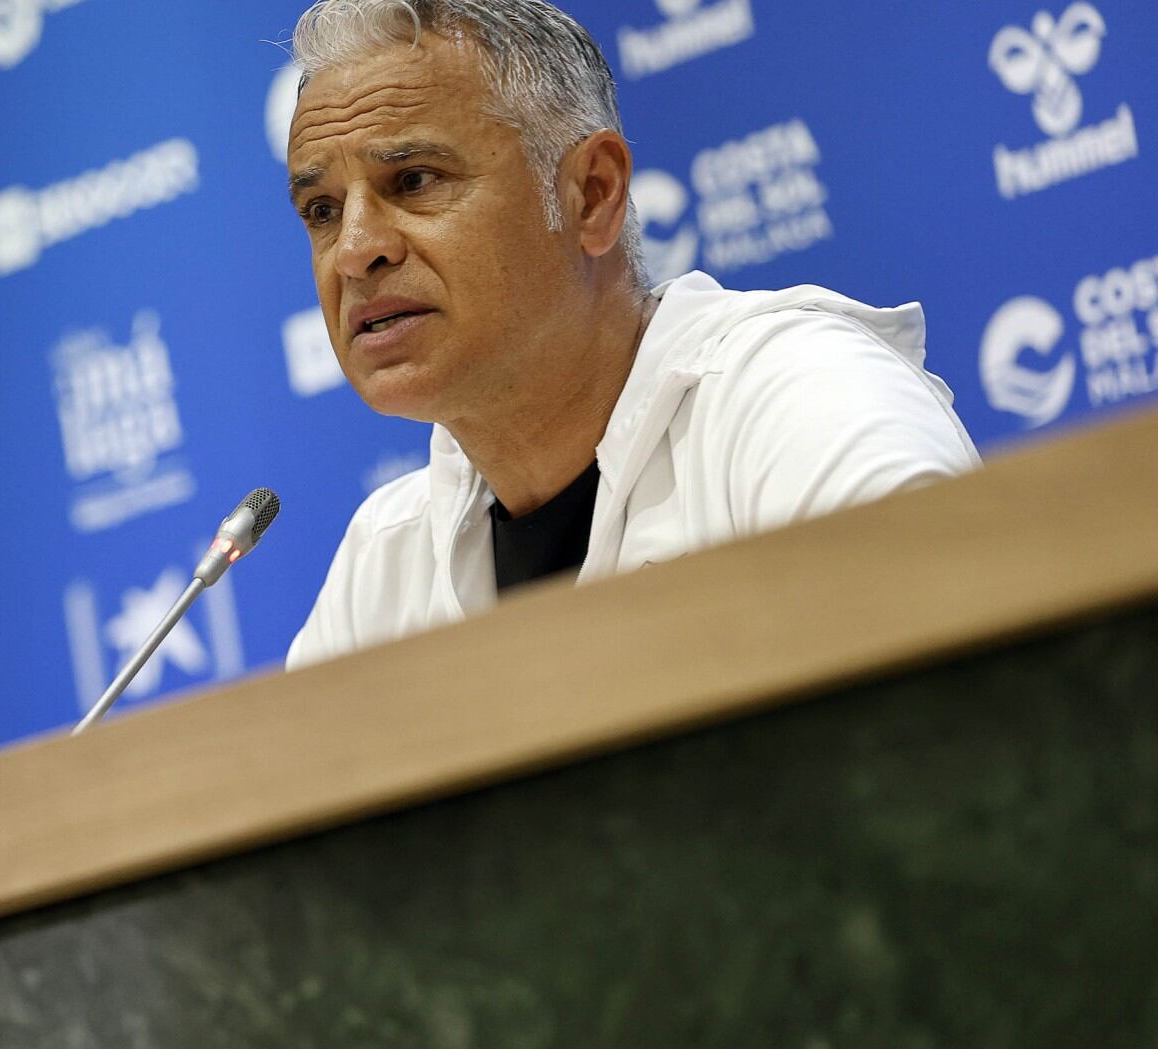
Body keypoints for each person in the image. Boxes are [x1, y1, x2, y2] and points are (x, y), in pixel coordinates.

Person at [282, 0, 981, 669]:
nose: (355, 250)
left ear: (592, 194)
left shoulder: (797, 399)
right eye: (321, 209)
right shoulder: (382, 562)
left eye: (414, 180)